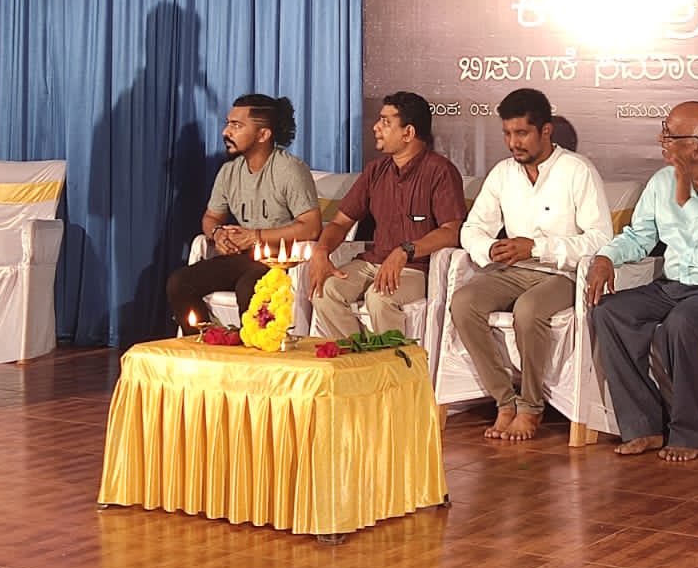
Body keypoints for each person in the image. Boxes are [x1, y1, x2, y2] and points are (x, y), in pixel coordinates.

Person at [586, 100, 698, 463]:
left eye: (669, 134)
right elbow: (640, 236)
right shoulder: (660, 182)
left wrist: (689, 201)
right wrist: (606, 257)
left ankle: (688, 433)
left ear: (697, 147)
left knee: (681, 323)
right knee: (610, 312)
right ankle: (644, 426)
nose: (661, 139)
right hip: (674, 285)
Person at [450, 88, 612, 442]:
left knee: (528, 310)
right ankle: (504, 401)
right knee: (463, 303)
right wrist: (489, 248)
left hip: (564, 274)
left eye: (522, 133)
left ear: (546, 131)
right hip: (514, 271)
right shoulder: (503, 173)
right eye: (507, 134)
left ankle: (531, 407)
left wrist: (537, 248)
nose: (513, 143)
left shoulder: (577, 170)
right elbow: (472, 228)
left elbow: (600, 239)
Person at [308, 91, 465, 340]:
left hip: (415, 268)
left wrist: (405, 251)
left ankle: (393, 361)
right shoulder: (376, 170)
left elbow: (451, 231)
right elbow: (340, 222)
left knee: (379, 298)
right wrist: (321, 250)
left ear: (408, 132)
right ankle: (359, 356)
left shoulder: (440, 171)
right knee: (324, 291)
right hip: (372, 262)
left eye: (385, 122)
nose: (375, 127)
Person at [165, 95, 321, 327]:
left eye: (236, 125)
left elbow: (311, 227)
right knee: (180, 282)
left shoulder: (290, 170)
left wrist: (255, 236)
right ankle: (209, 342)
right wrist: (217, 233)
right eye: (228, 123)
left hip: (280, 262)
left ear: (263, 135)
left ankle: (254, 347)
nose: (226, 132)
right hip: (242, 258)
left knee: (250, 287)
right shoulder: (229, 171)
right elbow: (211, 217)